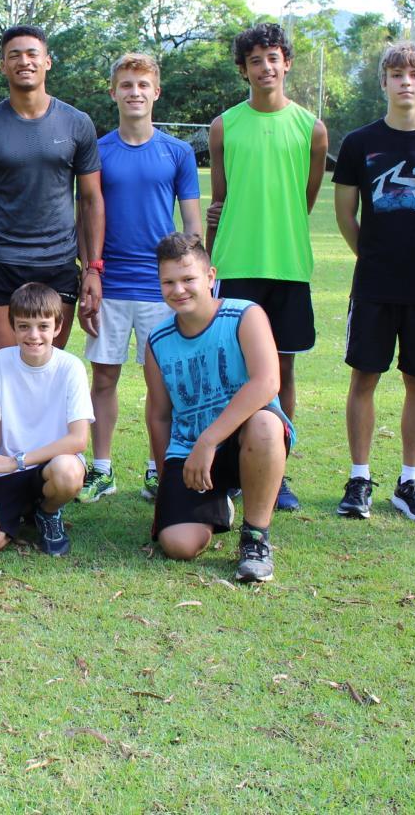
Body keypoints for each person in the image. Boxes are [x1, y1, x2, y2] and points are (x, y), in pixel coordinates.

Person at [332, 41, 415, 522]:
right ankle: (360, 478)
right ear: (385, 82)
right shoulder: (359, 143)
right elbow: (347, 214)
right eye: (396, 73)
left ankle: (410, 481)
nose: (405, 81)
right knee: (364, 377)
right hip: (372, 282)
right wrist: (372, 254)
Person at [204, 22, 327, 513]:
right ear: (244, 70)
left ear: (286, 63)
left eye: (273, 57)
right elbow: (220, 199)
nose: (266, 67)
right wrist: (212, 260)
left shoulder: (311, 129)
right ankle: (232, 470)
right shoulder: (224, 125)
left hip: (288, 267)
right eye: (255, 60)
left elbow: (306, 197)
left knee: (283, 371)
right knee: (233, 371)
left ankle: (278, 471)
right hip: (235, 264)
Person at [78, 53, 200, 506]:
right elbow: (84, 217)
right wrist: (89, 272)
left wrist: (188, 283)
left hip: (160, 289)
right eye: (126, 85)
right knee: (104, 379)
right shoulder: (98, 150)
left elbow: (191, 226)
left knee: (161, 383)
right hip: (111, 285)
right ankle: (102, 469)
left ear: (156, 92)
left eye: (142, 85)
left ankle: (158, 469)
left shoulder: (178, 152)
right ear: (113, 92)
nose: (134, 92)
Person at [0, 25, 103, 364]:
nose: (24, 61)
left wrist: (93, 268)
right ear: (2, 66)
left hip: (58, 264)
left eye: (32, 54)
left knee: (44, 370)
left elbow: (91, 200)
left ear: (47, 62)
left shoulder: (77, 123)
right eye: (14, 55)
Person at [143, 232, 290, 583]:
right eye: (169, 282)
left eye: (188, 279)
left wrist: (209, 440)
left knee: (266, 424)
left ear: (210, 277)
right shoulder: (158, 341)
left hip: (244, 443)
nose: (179, 290)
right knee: (178, 545)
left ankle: (255, 537)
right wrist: (166, 483)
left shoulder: (245, 316)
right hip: (190, 454)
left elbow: (267, 383)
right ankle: (218, 502)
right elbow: (160, 414)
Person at [0, 283, 92, 560]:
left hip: (49, 467)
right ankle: (18, 512)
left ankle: (46, 512)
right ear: (13, 327)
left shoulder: (71, 368)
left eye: (43, 326)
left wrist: (17, 460)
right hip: (7, 475)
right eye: (24, 326)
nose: (34, 335)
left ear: (58, 327)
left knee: (67, 472)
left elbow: (79, 439)